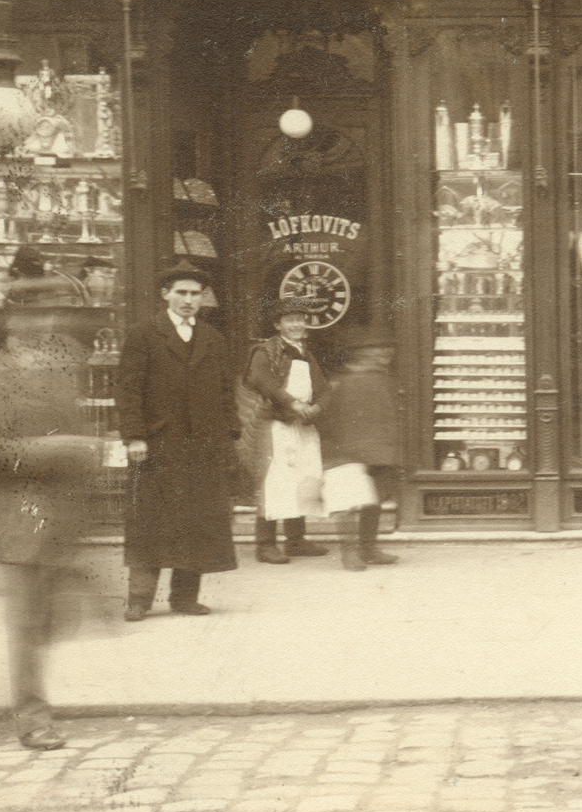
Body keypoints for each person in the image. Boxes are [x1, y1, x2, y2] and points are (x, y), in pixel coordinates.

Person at [0, 265, 103, 750]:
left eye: (50, 314)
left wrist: (82, 458)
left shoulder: (57, 370)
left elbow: (68, 434)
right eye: (33, 315)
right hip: (12, 513)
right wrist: (53, 450)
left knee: (52, 619)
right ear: (12, 321)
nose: (44, 324)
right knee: (29, 621)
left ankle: (20, 701)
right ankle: (31, 717)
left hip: (57, 512)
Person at [117, 265, 239, 620]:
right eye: (181, 293)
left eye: (195, 293)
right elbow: (128, 390)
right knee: (150, 522)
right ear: (165, 295)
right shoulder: (143, 334)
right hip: (158, 445)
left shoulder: (213, 338)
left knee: (197, 522)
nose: (188, 300)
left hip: (203, 446)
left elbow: (225, 392)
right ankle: (139, 600)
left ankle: (184, 598)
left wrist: (229, 434)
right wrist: (135, 436)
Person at [239, 298, 330, 564]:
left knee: (302, 479)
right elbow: (263, 381)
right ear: (278, 325)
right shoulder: (265, 352)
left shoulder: (305, 353)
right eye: (290, 320)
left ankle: (296, 540)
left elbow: (323, 388)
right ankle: (265, 544)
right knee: (274, 481)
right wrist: (293, 404)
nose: (297, 324)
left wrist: (317, 407)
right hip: (275, 425)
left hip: (302, 426)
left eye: (300, 320)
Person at [318, 341, 403, 571]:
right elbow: (327, 416)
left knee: (374, 498)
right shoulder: (338, 382)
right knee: (346, 501)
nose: (384, 355)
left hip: (378, 448)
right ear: (360, 355)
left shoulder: (383, 379)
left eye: (386, 351)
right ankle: (349, 552)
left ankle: (368, 548)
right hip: (346, 450)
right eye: (377, 352)